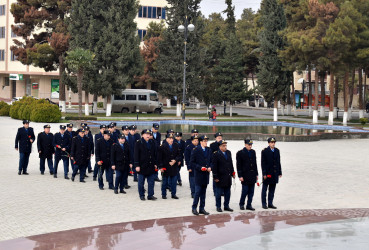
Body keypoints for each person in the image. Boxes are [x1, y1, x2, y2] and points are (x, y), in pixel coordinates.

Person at [190, 135, 212, 216]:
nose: (206, 142)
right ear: (201, 142)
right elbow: (192, 162)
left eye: (206, 141)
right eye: (204, 141)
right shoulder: (196, 150)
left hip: (206, 174)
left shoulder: (209, 150)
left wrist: (210, 167)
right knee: (197, 192)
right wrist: (200, 167)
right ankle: (194, 208)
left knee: (203, 193)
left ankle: (202, 208)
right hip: (199, 174)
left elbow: (211, 161)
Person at [134, 129, 158, 201]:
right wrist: (137, 165)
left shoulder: (152, 142)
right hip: (142, 166)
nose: (148, 135)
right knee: (141, 182)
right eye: (146, 134)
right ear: (142, 135)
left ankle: (150, 195)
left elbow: (154, 154)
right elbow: (136, 155)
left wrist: (155, 163)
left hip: (150, 165)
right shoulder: (138, 143)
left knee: (151, 182)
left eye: (149, 134)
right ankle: (142, 195)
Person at [212, 140, 235, 212]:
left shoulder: (228, 152)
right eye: (223, 146)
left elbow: (230, 163)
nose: (225, 147)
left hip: (227, 176)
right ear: (220, 147)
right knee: (218, 193)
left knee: (228, 193)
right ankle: (218, 206)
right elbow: (214, 166)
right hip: (220, 177)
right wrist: (215, 176)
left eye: (225, 145)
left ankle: (226, 205)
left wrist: (232, 173)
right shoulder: (216, 154)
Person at [237, 139, 258, 211]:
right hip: (245, 175)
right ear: (245, 144)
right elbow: (238, 165)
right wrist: (240, 175)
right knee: (245, 191)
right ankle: (241, 204)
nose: (250, 146)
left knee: (251, 191)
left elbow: (255, 164)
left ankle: (249, 204)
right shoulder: (240, 153)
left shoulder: (253, 152)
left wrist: (256, 174)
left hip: (252, 175)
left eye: (251, 145)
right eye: (249, 144)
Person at [261, 137, 282, 209]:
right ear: (269, 143)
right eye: (272, 142)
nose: (273, 144)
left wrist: (280, 172)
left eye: (274, 142)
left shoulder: (277, 151)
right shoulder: (264, 151)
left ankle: (270, 203)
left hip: (274, 173)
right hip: (267, 173)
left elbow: (278, 162)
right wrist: (264, 174)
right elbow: (263, 164)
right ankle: (264, 203)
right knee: (264, 189)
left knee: (272, 189)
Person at [158, 134, 182, 199]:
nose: (171, 140)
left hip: (174, 166)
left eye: (172, 139)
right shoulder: (162, 147)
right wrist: (160, 167)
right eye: (170, 138)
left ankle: (173, 194)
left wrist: (175, 160)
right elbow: (159, 158)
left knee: (174, 181)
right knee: (164, 182)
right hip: (165, 166)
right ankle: (163, 194)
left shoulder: (176, 145)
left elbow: (179, 155)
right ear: (166, 139)